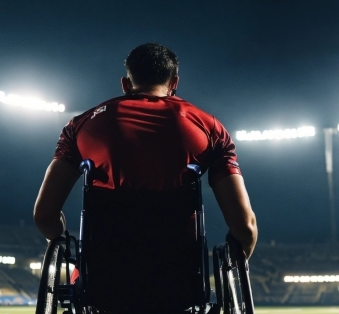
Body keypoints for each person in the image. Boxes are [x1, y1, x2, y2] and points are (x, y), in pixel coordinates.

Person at [34, 42, 257, 256]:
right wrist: (238, 263)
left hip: (101, 281)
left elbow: (44, 215)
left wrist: (58, 241)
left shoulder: (81, 125)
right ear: (174, 83)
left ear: (125, 84)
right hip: (181, 282)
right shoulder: (210, 128)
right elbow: (244, 226)